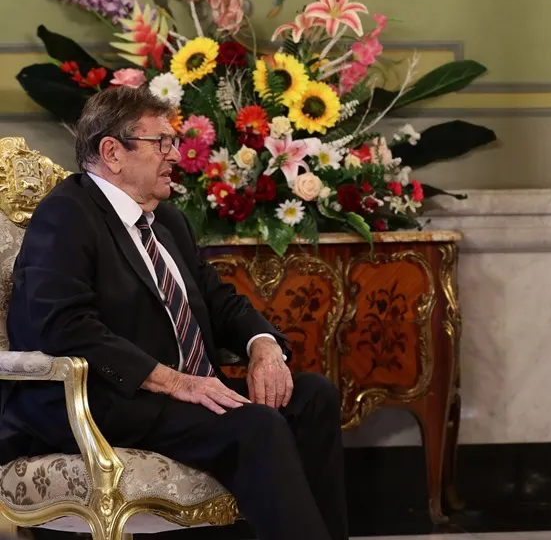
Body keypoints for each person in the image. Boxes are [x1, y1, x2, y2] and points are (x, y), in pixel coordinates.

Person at [3, 86, 347, 540]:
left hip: (173, 395)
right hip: (106, 399)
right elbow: (64, 326)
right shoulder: (67, 214)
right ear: (113, 153)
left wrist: (263, 346)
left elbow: (220, 301)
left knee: (313, 396)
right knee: (256, 426)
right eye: (161, 142)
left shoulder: (168, 220)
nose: (175, 154)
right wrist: (176, 381)